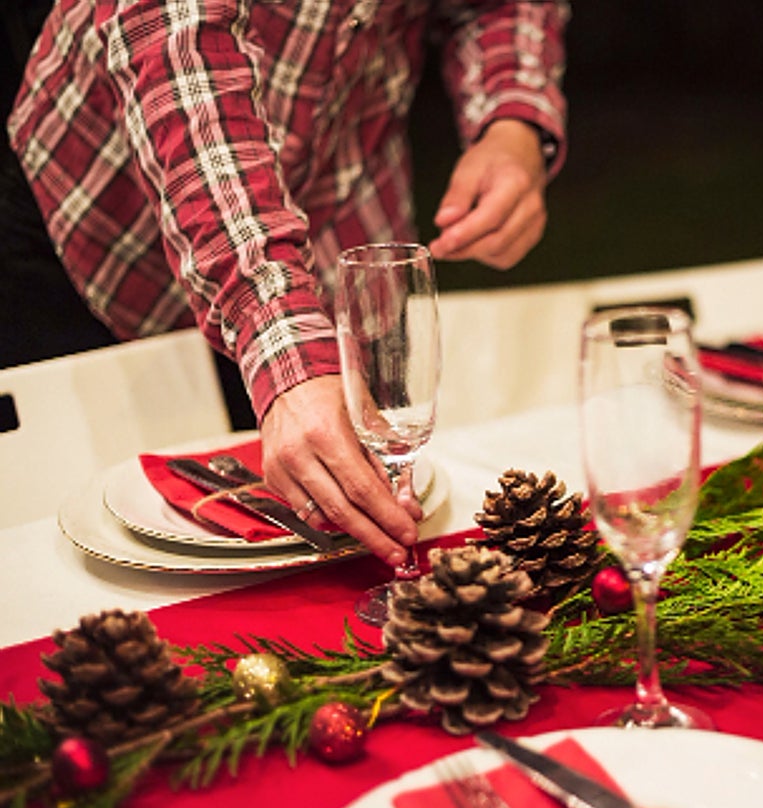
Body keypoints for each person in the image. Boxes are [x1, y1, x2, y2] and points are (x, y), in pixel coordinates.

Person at [5, 0, 569, 572]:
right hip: (98, 220)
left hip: (337, 200)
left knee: (314, 545)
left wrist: (513, 118)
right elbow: (181, 55)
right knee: (75, 553)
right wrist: (281, 339)